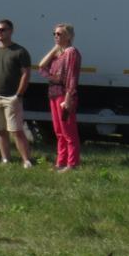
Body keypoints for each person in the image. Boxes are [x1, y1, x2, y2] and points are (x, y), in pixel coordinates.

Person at [0, 19, 33, 168]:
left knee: (16, 131)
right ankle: (5, 159)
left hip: (12, 97)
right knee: (0, 131)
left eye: (3, 30)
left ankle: (27, 161)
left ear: (11, 31)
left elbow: (26, 74)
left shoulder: (20, 52)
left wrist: (18, 95)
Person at [37, 23, 82, 171]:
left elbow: (71, 77)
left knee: (68, 130)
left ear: (69, 36)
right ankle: (60, 162)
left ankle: (72, 163)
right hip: (54, 94)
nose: (56, 36)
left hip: (64, 95)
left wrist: (68, 99)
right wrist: (55, 49)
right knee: (59, 131)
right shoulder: (59, 54)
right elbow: (41, 66)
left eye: (60, 34)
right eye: (54, 34)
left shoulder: (71, 52)